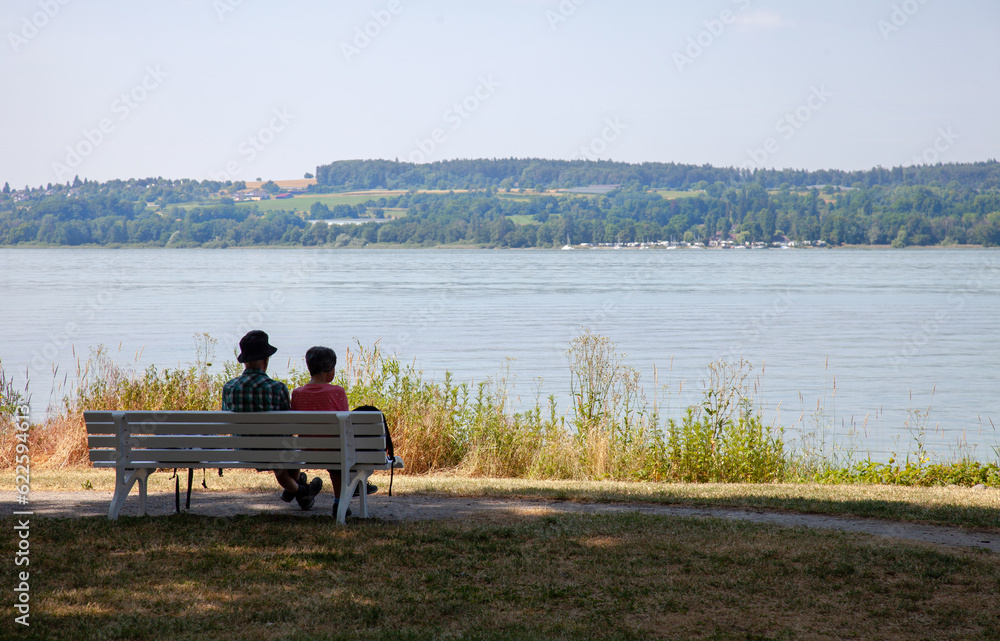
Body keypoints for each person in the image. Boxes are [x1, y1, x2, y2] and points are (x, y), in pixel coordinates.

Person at [221, 330, 322, 510]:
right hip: (276, 452)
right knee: (290, 444)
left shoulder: (229, 387)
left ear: (244, 360)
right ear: (265, 360)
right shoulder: (277, 388)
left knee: (287, 446)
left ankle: (296, 489)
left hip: (242, 450)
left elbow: (226, 420)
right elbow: (288, 425)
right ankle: (301, 490)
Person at [290, 345, 376, 517]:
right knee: (338, 452)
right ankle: (338, 502)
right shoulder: (337, 391)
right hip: (335, 452)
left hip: (306, 451)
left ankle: (292, 489)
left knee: (333, 449)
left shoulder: (297, 393)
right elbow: (346, 423)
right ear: (328, 369)